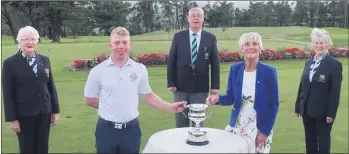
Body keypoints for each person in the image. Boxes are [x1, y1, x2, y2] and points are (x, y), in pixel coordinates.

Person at [84, 26, 186, 154]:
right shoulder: (98, 71)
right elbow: (89, 99)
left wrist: (170, 107)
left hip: (131, 130)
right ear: (110, 45)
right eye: (117, 42)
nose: (121, 46)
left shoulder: (139, 69)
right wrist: (110, 106)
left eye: (125, 42)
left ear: (129, 44)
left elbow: (148, 96)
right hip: (106, 130)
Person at [206, 32, 279, 153]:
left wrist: (264, 131)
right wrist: (217, 98)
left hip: (259, 128)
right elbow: (230, 98)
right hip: (238, 126)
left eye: (255, 44)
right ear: (242, 49)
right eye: (247, 44)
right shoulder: (235, 69)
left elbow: (274, 104)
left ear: (260, 48)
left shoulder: (269, 72)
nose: (251, 46)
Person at [2, 26, 60, 154]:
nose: (30, 42)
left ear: (37, 41)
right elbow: (7, 93)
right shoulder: (9, 63)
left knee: (43, 148)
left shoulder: (44, 60)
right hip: (24, 115)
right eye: (26, 39)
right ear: (19, 41)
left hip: (44, 112)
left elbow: (51, 86)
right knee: (27, 148)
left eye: (33, 39)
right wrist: (13, 119)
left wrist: (55, 111)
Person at [167, 7, 220, 128]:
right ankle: (181, 145)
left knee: (199, 121)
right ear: (188, 19)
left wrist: (215, 86)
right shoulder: (178, 37)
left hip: (201, 88)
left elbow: (215, 63)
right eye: (193, 15)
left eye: (199, 15)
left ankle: (198, 142)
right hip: (180, 87)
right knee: (181, 122)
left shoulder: (210, 38)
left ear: (203, 19)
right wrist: (171, 82)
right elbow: (171, 60)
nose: (196, 18)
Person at [295, 28, 343, 154]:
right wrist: (298, 107)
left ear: (327, 44)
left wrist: (331, 114)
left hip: (323, 113)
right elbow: (302, 85)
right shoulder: (308, 62)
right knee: (310, 143)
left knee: (323, 144)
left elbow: (335, 92)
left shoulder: (335, 65)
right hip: (307, 111)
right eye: (316, 43)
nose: (318, 46)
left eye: (321, 43)